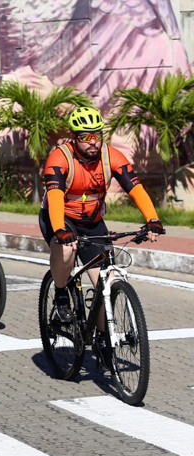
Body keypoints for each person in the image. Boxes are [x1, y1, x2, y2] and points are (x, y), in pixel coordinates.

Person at [39, 106, 163, 359]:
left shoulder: (111, 157)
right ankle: (61, 294)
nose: (93, 141)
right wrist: (60, 229)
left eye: (97, 135)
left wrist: (152, 219)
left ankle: (103, 338)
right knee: (67, 250)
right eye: (86, 136)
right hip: (61, 218)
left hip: (93, 222)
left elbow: (135, 188)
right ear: (74, 138)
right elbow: (55, 197)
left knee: (108, 281)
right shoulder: (59, 159)